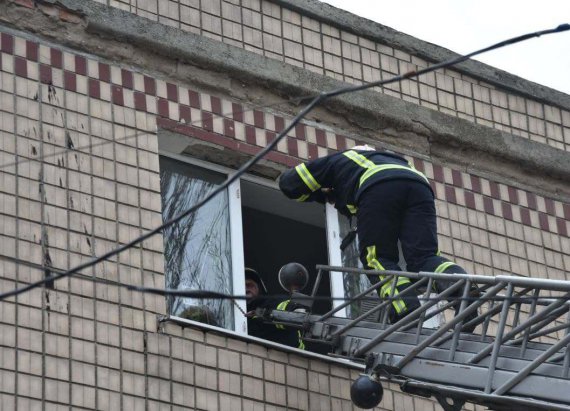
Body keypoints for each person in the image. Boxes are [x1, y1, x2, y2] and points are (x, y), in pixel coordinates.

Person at [279, 144, 470, 324]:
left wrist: (321, 194)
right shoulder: (395, 160)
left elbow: (289, 183)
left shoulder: (344, 159)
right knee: (424, 258)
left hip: (378, 185)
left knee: (376, 258)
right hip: (421, 186)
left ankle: (405, 310)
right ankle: (462, 289)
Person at [245, 268, 305, 349]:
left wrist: (295, 309)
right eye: (241, 286)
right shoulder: (231, 318)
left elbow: (288, 308)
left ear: (259, 289)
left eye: (249, 285)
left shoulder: (269, 303)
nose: (246, 289)